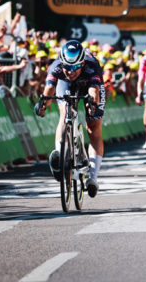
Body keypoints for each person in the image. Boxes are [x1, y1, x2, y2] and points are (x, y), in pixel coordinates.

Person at [35, 40, 106, 198]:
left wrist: (92, 104)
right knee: (65, 112)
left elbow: (94, 91)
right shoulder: (56, 66)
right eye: (67, 66)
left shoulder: (92, 65)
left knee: (93, 128)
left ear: (82, 63)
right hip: (65, 84)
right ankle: (61, 156)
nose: (70, 71)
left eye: (74, 67)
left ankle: (92, 177)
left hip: (90, 85)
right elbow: (49, 90)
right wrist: (42, 105)